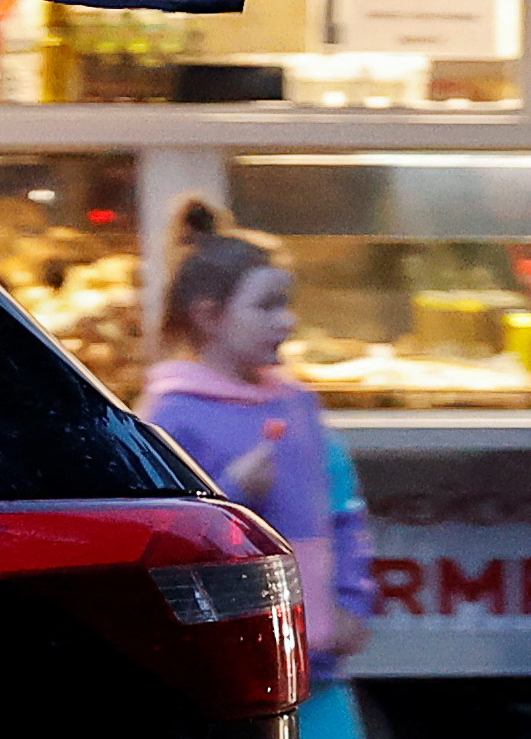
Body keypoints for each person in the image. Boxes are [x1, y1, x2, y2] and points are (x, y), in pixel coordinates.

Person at [136, 202, 373, 733]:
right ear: (208, 315)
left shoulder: (299, 405)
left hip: (319, 670)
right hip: (227, 679)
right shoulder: (174, 417)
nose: (286, 321)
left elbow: (344, 508)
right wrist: (232, 492)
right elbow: (160, 543)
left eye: (285, 304)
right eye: (266, 306)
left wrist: (353, 598)